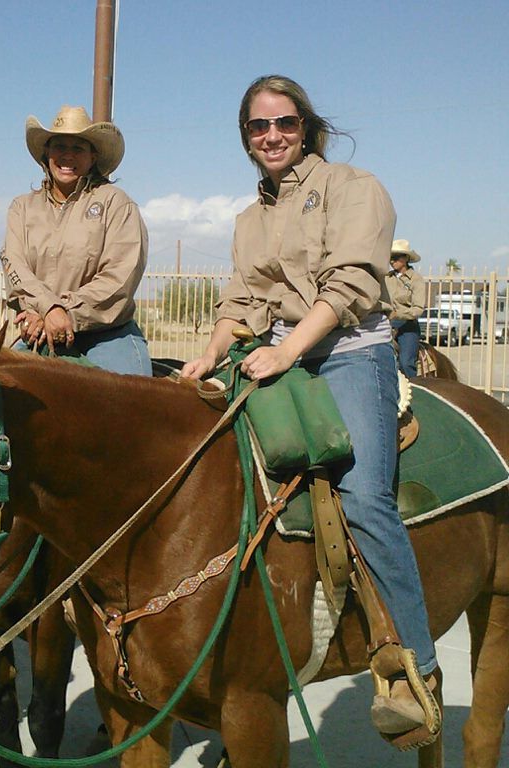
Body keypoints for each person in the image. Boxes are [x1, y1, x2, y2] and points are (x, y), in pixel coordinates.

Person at [180, 76, 438, 743]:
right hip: (276, 352)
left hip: (350, 352)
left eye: (284, 124)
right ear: (246, 137)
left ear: (306, 127)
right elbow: (241, 302)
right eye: (258, 127)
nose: (271, 137)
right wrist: (209, 354)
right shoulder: (249, 218)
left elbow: (351, 281)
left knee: (364, 498)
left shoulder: (357, 187)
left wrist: (289, 349)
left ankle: (417, 664)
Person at [0, 105, 151, 376]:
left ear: (93, 156)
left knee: (128, 402)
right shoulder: (22, 208)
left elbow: (120, 278)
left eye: (78, 148)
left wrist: (65, 312)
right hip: (40, 327)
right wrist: (47, 309)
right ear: (47, 153)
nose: (67, 155)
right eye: (59, 146)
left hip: (107, 335)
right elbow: (15, 268)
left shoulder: (116, 203)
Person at [386, 239, 426, 378]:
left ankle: (414, 392)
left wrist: (397, 314)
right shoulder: (386, 278)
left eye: (396, 257)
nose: (392, 261)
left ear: (406, 258)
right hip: (386, 325)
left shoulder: (416, 280)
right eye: (391, 257)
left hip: (407, 326)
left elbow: (418, 309)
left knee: (405, 362)